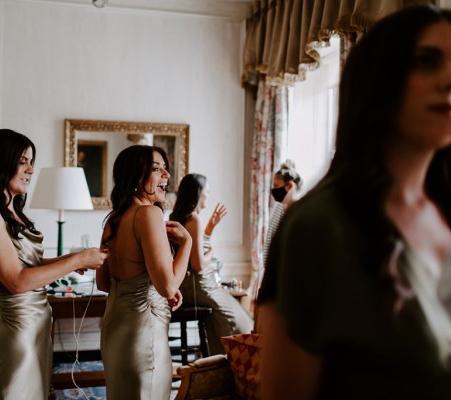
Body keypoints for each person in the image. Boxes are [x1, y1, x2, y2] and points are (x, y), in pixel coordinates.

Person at [256, 5, 451, 399]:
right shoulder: (321, 227)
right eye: (427, 61)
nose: (449, 79)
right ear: (378, 79)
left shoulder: (443, 209)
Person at [0, 129, 109, 400]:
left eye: (31, 161)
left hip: (35, 329)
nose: (31, 169)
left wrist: (70, 260)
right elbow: (17, 281)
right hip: (15, 333)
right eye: (22, 161)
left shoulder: (11, 211)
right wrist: (76, 260)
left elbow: (28, 262)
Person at [96, 145, 192, 400]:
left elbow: (103, 282)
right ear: (137, 177)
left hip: (115, 330)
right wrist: (187, 243)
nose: (166, 176)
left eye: (165, 169)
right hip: (143, 335)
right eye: (156, 169)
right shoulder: (149, 214)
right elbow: (169, 287)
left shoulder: (113, 219)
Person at [169, 173, 253, 355]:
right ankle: (236, 356)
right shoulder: (194, 219)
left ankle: (218, 355)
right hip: (201, 287)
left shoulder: (179, 216)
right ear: (199, 193)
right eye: (207, 191)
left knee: (231, 317)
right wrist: (212, 252)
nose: (209, 194)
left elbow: (192, 248)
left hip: (186, 287)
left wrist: (210, 227)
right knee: (244, 323)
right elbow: (198, 264)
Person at [263, 160, 303, 268]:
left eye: (276, 186)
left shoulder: (296, 210)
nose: (274, 190)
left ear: (289, 186)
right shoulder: (280, 207)